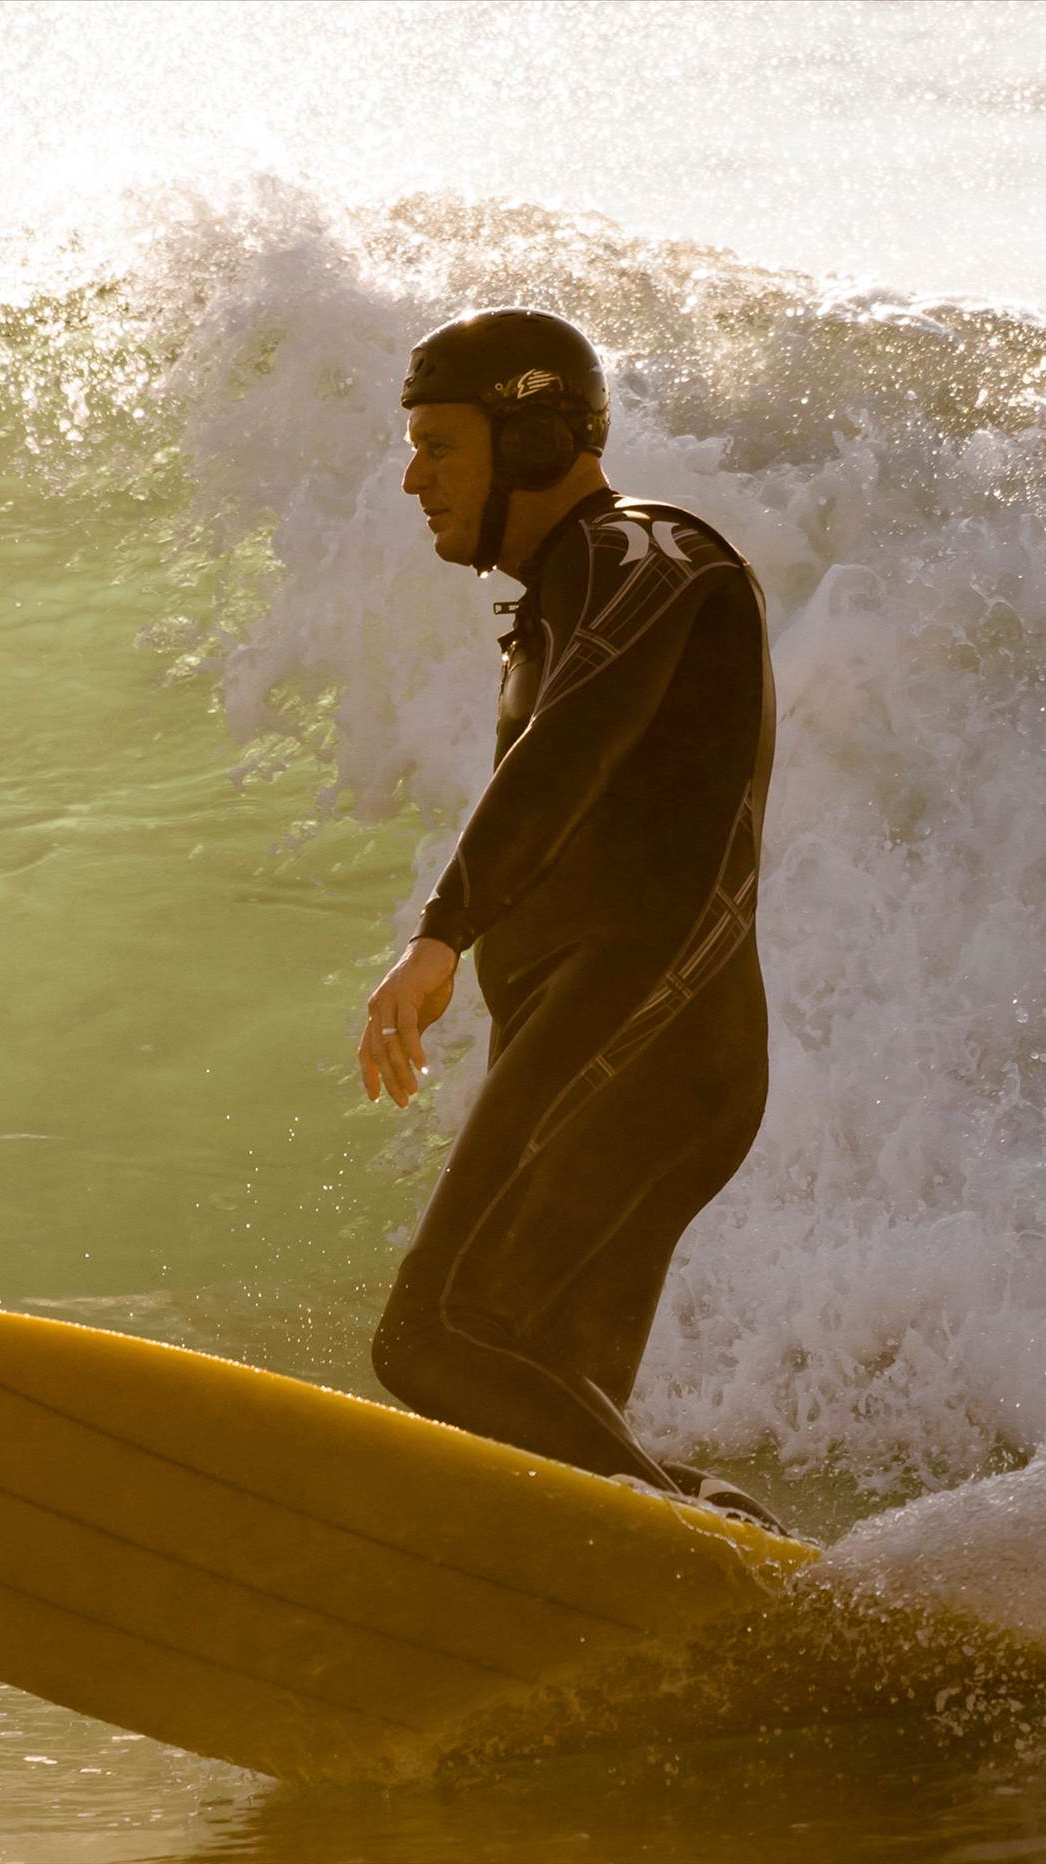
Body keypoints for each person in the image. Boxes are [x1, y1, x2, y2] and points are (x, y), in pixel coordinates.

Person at [354, 306, 781, 1529]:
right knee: (537, 1396)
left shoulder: (647, 549)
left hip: (647, 1031)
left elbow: (573, 744)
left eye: (440, 446)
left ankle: (703, 1558)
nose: (413, 479)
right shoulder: (563, 600)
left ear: (534, 437)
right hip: (651, 1050)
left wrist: (441, 931)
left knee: (431, 1337)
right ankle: (717, 1571)